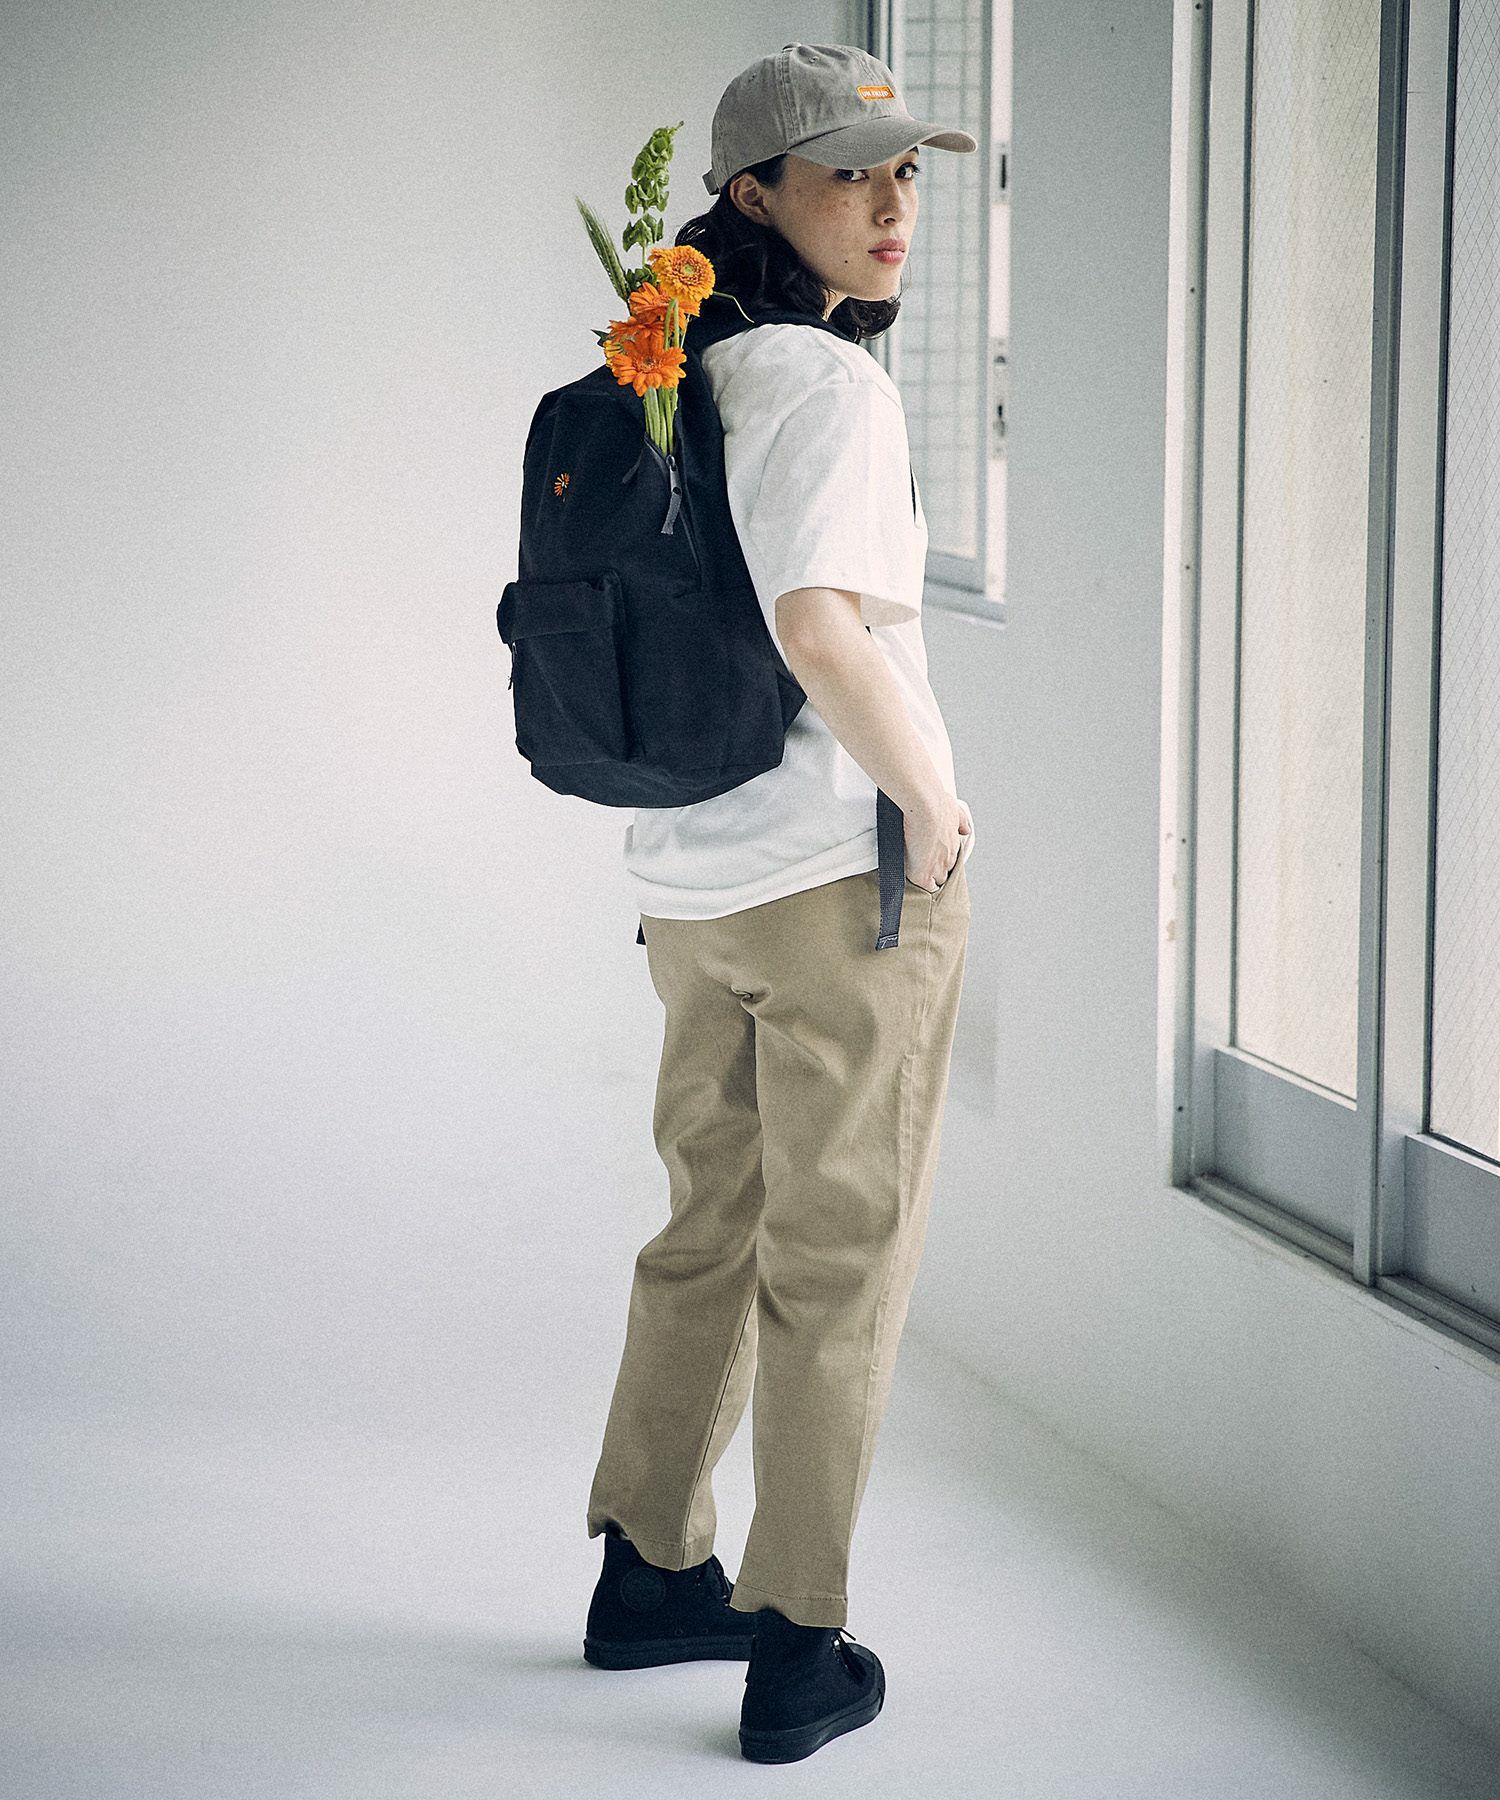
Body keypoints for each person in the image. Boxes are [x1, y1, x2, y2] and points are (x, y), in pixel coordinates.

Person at [582, 43, 979, 1763]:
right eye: (846, 173)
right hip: (835, 886)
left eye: (906, 171)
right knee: (839, 1266)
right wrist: (934, 809)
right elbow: (821, 629)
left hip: (691, 883)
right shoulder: (826, 386)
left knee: (709, 1233)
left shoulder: (672, 374)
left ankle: (649, 1571)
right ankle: (801, 1649)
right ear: (753, 194)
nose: (891, 205)